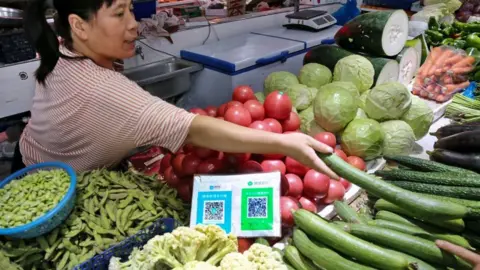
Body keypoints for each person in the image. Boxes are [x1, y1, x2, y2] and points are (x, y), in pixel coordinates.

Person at [17, 0, 338, 179]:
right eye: (118, 14)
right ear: (79, 25)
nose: (133, 24)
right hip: (54, 183)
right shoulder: (103, 89)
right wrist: (284, 143)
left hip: (38, 157)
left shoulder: (62, 46)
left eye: (131, 9)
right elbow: (191, 128)